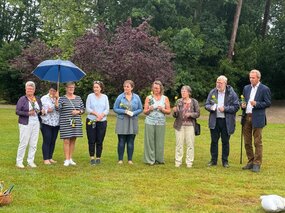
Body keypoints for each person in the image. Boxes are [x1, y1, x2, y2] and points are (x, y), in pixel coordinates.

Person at [205, 75, 239, 168]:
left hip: (226, 121)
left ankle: (225, 161)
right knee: (214, 141)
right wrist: (211, 107)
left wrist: (225, 108)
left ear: (225, 83)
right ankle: (213, 160)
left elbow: (236, 106)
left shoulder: (231, 93)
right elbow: (206, 104)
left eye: (220, 83)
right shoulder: (212, 92)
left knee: (225, 141)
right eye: (217, 82)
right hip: (215, 120)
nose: (218, 84)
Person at [241, 69, 271, 172]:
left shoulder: (264, 89)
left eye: (253, 78)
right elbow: (244, 100)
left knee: (257, 142)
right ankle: (250, 161)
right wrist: (243, 105)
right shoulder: (246, 88)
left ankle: (257, 163)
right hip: (247, 117)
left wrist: (257, 104)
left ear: (258, 78)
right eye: (250, 77)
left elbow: (268, 103)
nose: (251, 79)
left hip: (257, 117)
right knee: (247, 142)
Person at [113, 80, 143, 164]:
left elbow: (140, 109)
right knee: (121, 140)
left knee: (131, 140)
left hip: (132, 120)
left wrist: (134, 113)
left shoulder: (136, 97)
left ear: (132, 88)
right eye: (124, 86)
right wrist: (124, 111)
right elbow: (115, 108)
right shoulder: (120, 97)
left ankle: (130, 159)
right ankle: (120, 159)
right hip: (122, 120)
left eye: (127, 86)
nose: (125, 88)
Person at [56, 82, 85, 166]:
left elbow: (83, 109)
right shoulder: (62, 98)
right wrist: (57, 99)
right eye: (69, 87)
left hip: (76, 122)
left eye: (72, 87)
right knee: (66, 140)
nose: (71, 89)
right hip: (65, 122)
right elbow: (58, 109)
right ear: (66, 88)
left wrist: (78, 111)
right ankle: (67, 159)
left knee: (73, 139)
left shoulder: (78, 98)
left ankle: (70, 158)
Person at [16, 81, 43, 168]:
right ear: (25, 89)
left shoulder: (37, 99)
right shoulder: (22, 99)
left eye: (31, 89)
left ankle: (30, 161)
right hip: (25, 123)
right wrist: (28, 113)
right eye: (28, 88)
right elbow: (17, 111)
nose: (29, 90)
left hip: (36, 123)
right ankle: (19, 161)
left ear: (34, 90)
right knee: (23, 142)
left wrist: (43, 112)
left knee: (33, 143)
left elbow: (40, 110)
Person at [143, 80, 171, 165]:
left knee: (159, 141)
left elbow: (169, 111)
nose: (156, 89)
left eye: (157, 88)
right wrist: (149, 109)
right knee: (149, 141)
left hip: (161, 122)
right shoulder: (149, 98)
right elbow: (145, 111)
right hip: (150, 121)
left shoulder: (165, 98)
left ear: (161, 88)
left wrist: (163, 109)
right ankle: (150, 160)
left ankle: (159, 159)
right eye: (154, 88)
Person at [173, 86, 200, 168]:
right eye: (182, 91)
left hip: (190, 126)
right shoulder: (178, 101)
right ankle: (178, 161)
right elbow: (175, 115)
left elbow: (198, 113)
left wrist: (190, 114)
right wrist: (175, 111)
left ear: (189, 93)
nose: (183, 93)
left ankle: (189, 162)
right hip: (179, 125)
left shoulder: (194, 102)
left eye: (184, 91)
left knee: (190, 144)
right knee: (179, 144)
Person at [86, 81, 109, 165]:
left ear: (101, 88)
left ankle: (98, 157)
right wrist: (96, 114)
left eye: (97, 87)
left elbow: (107, 109)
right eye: (94, 87)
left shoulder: (105, 97)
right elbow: (88, 108)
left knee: (100, 140)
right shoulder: (90, 96)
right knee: (91, 139)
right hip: (91, 120)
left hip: (102, 121)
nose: (95, 89)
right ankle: (92, 157)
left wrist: (101, 115)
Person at [40, 83, 60, 165]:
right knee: (47, 140)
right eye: (51, 90)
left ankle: (50, 157)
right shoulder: (44, 98)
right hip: (46, 122)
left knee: (53, 140)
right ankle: (45, 159)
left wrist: (57, 100)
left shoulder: (59, 99)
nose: (52, 92)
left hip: (56, 123)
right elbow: (40, 110)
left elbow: (59, 109)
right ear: (49, 90)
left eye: (54, 91)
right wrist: (48, 110)